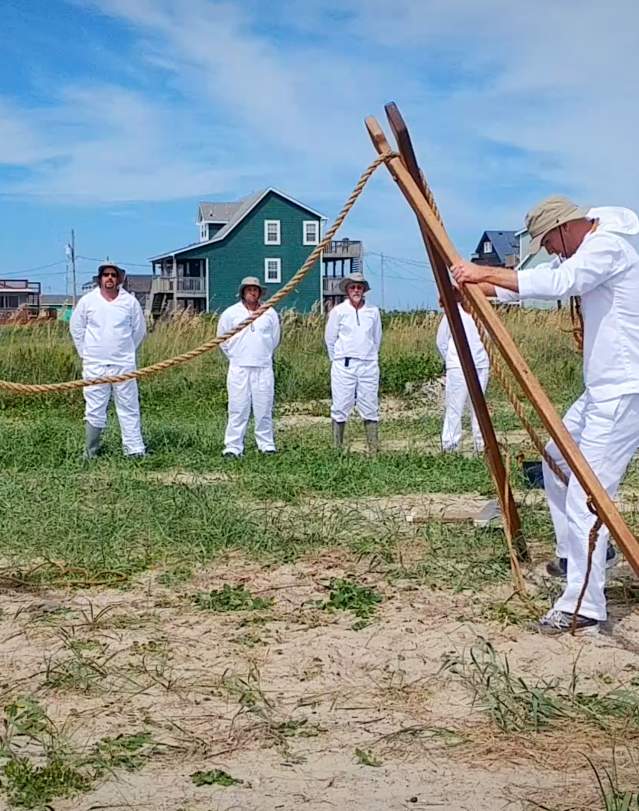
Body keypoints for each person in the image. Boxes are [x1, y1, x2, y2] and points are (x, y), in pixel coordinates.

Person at [452, 196, 639, 635]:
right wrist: (481, 289)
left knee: (587, 495)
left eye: (548, 241)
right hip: (602, 391)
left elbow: (561, 281)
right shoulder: (588, 249)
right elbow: (548, 279)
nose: (550, 250)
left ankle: (584, 607)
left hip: (624, 391)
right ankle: (580, 556)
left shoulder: (606, 247)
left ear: (564, 227)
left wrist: (483, 273)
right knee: (556, 463)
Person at [70, 263, 147, 459]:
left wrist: (125, 351)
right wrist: (86, 354)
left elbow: (138, 330)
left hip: (124, 365)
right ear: (100, 278)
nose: (109, 278)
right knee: (94, 408)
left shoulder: (130, 302)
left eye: (113, 274)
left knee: (128, 406)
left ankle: (134, 450)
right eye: (106, 275)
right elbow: (77, 328)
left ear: (119, 279)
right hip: (95, 365)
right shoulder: (88, 301)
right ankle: (91, 451)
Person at [217, 276, 280, 458]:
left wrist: (262, 354)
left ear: (260, 293)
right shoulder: (230, 313)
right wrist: (236, 356)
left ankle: (266, 445)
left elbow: (274, 339)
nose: (252, 292)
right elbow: (222, 339)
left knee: (264, 408)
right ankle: (233, 446)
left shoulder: (270, 313)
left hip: (263, 367)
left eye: (255, 289)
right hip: (239, 368)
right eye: (249, 289)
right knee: (238, 408)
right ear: (243, 292)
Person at [325, 271, 382, 452]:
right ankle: (337, 448)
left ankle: (373, 449)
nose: (356, 290)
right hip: (344, 364)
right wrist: (338, 359)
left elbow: (376, 339)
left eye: (359, 287)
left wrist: (369, 357)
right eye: (353, 287)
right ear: (347, 290)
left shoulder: (373, 312)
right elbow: (330, 339)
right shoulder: (338, 311)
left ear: (363, 290)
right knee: (340, 405)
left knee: (370, 405)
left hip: (368, 364)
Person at [436, 302, 490, 453]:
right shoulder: (452, 311)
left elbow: (488, 337)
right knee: (455, 407)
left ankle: (482, 446)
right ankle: (450, 447)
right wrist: (453, 360)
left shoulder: (482, 310)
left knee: (479, 409)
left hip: (480, 364)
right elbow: (441, 341)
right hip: (458, 366)